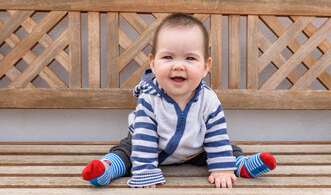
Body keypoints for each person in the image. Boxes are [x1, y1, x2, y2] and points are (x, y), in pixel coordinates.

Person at [82, 13, 276, 188]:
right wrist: (146, 172)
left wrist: (221, 169)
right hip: (150, 148)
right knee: (126, 152)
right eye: (168, 57)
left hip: (196, 149)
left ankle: (241, 165)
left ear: (206, 66)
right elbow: (145, 137)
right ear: (153, 63)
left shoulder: (208, 99)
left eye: (190, 58)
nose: (178, 65)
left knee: (226, 149)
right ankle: (106, 169)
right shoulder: (149, 97)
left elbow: (216, 135)